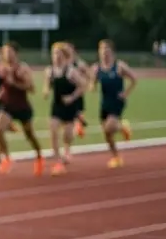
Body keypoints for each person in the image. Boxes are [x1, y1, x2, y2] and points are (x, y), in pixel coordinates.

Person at [0, 42, 45, 176]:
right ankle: (7, 158)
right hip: (8, 105)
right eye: (5, 52)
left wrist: (15, 83)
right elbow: (5, 84)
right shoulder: (3, 68)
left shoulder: (22, 68)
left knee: (29, 135)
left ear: (16, 53)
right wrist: (1, 91)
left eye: (10, 52)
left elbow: (31, 88)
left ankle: (39, 156)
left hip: (22, 106)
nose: (7, 55)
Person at [41, 42, 88, 174]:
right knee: (53, 129)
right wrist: (45, 91)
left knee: (67, 135)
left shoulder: (70, 71)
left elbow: (83, 85)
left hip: (69, 106)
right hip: (56, 105)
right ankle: (57, 161)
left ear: (64, 56)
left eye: (59, 54)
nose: (56, 57)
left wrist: (72, 97)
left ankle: (67, 150)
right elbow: (47, 84)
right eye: (54, 54)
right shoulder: (49, 71)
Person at [91, 39, 137, 168]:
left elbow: (134, 79)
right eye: (102, 49)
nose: (104, 52)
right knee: (107, 134)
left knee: (109, 127)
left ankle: (122, 127)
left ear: (112, 51)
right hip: (105, 103)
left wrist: (125, 93)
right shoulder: (97, 68)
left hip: (117, 101)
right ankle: (116, 157)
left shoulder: (119, 66)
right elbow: (92, 85)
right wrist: (92, 84)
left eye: (107, 49)